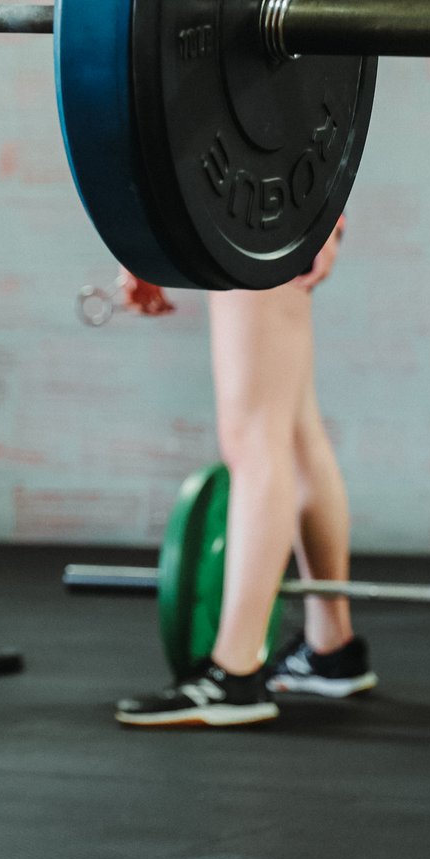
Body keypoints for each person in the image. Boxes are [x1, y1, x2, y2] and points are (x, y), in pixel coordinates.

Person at [111, 216, 377, 727]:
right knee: (296, 433)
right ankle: (331, 648)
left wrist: (141, 243)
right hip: (273, 203)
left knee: (255, 439)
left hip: (251, 211)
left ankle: (235, 675)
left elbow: (181, 136)